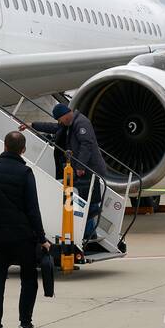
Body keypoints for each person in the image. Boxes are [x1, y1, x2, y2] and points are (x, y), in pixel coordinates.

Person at [0, 130, 49, 328]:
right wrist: (42, 238)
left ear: (4, 146)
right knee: (29, 281)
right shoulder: (25, 173)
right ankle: (25, 325)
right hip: (22, 237)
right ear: (23, 150)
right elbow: (33, 210)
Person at [26, 102, 107, 240]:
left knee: (87, 202)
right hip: (82, 170)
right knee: (84, 201)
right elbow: (54, 128)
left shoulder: (81, 123)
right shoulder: (70, 123)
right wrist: (33, 125)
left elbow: (86, 145)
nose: (59, 122)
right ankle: (88, 232)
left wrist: (80, 166)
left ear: (65, 115)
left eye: (60, 119)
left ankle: (88, 233)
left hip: (89, 170)